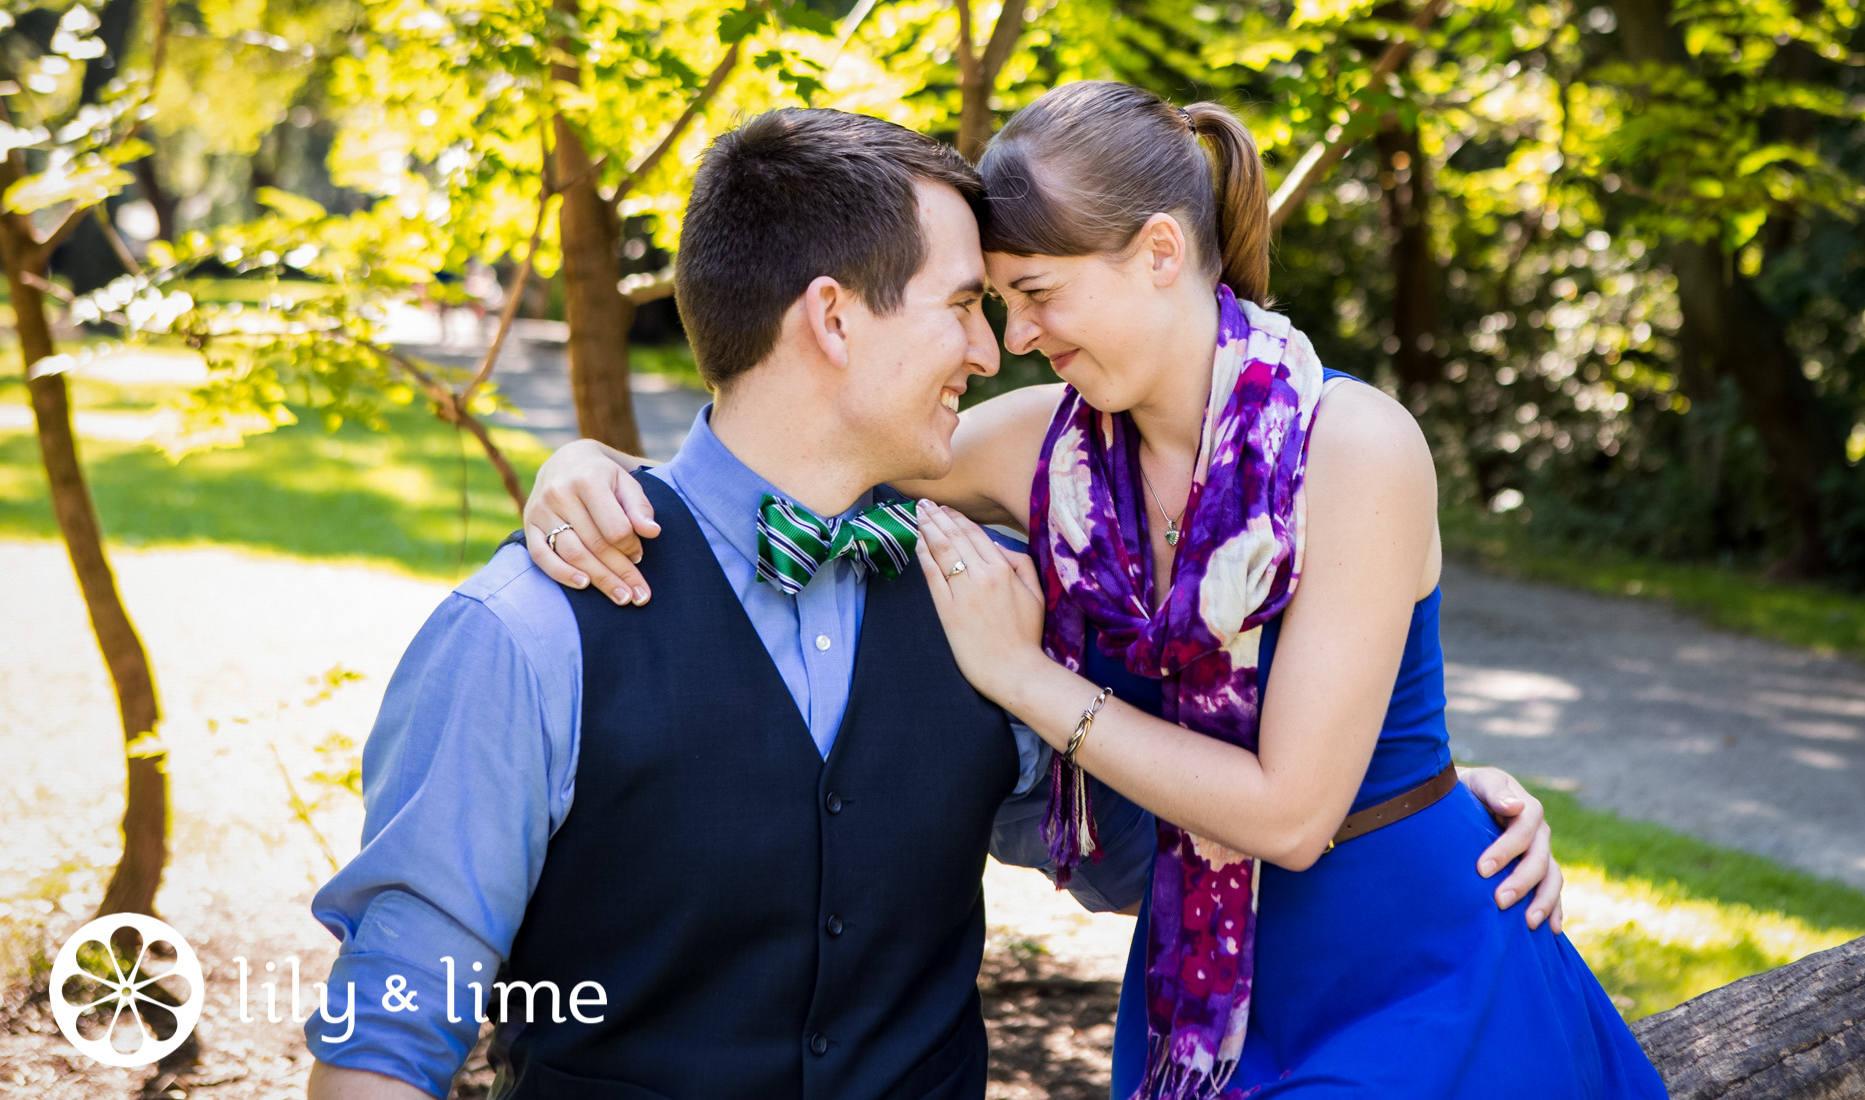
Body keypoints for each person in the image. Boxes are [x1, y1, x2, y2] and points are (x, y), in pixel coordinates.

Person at [306, 106, 1559, 1100]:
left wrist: (1420, 795)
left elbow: (1163, 835)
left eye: (1017, 302)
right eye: (970, 304)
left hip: (1380, 962)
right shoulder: (533, 632)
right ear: (832, 319)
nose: (994, 346)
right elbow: (391, 1018)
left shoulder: (978, 601)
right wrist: (582, 464)